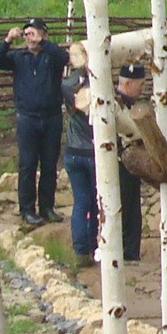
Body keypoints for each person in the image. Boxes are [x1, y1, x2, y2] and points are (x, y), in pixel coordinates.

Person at [0, 17, 67, 226]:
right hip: (27, 119)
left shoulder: (51, 56)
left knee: (50, 164)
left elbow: (64, 57)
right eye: (28, 33)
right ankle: (27, 209)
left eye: (36, 32)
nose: (31, 37)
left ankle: (47, 207)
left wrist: (42, 43)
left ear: (44, 34)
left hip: (51, 117)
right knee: (28, 165)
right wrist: (7, 40)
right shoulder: (18, 57)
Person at [60, 43, 97, 266]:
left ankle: (81, 249)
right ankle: (92, 245)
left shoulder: (66, 84)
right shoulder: (99, 85)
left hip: (72, 150)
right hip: (92, 150)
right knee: (94, 202)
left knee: (81, 201)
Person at [112, 61, 149, 263]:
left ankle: (130, 250)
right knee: (127, 207)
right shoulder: (117, 105)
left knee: (131, 205)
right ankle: (128, 251)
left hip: (130, 162)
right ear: (128, 84)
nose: (142, 88)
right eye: (140, 84)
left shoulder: (130, 104)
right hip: (121, 160)